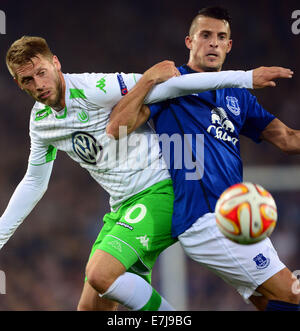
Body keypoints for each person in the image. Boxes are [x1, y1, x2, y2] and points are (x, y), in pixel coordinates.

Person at [1, 35, 284, 311]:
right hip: (123, 206)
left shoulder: (94, 88)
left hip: (160, 190)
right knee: (91, 307)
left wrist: (245, 78)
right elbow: (34, 182)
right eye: (28, 80)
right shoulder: (40, 123)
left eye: (42, 72)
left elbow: (175, 87)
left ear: (56, 64)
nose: (39, 85)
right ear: (18, 83)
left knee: (100, 274)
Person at [107, 6, 300, 311]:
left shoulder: (239, 96)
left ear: (229, 45)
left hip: (238, 215)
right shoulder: (171, 87)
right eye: (205, 35)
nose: (213, 42)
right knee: (292, 294)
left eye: (220, 37)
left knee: (274, 303)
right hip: (206, 217)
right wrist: (146, 81)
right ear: (189, 42)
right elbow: (116, 127)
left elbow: (288, 139)